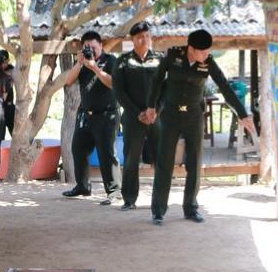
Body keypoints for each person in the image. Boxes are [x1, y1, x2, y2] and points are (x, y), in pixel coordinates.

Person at [147, 29, 257, 225]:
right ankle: (158, 210)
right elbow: (156, 81)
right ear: (191, 49)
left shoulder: (209, 62)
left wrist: (242, 114)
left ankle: (191, 208)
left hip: (194, 117)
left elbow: (224, 86)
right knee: (165, 162)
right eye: (203, 51)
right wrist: (151, 106)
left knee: (195, 162)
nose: (207, 55)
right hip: (170, 115)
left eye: (208, 51)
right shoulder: (173, 56)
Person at [61, 31, 120, 204]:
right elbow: (69, 81)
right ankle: (83, 186)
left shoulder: (111, 61)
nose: (91, 51)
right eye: (87, 48)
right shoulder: (82, 62)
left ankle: (114, 191)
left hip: (107, 115)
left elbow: (113, 83)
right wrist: (80, 63)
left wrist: (94, 67)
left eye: (94, 47)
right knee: (78, 148)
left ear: (101, 45)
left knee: (106, 153)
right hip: (85, 115)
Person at [111, 22, 162, 211]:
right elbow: (119, 91)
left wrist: (156, 110)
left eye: (147, 36)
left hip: (157, 117)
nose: (144, 39)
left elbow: (167, 88)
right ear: (132, 39)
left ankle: (160, 199)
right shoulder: (122, 61)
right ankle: (129, 199)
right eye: (140, 37)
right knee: (131, 159)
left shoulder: (160, 59)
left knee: (160, 158)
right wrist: (138, 112)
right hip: (133, 118)